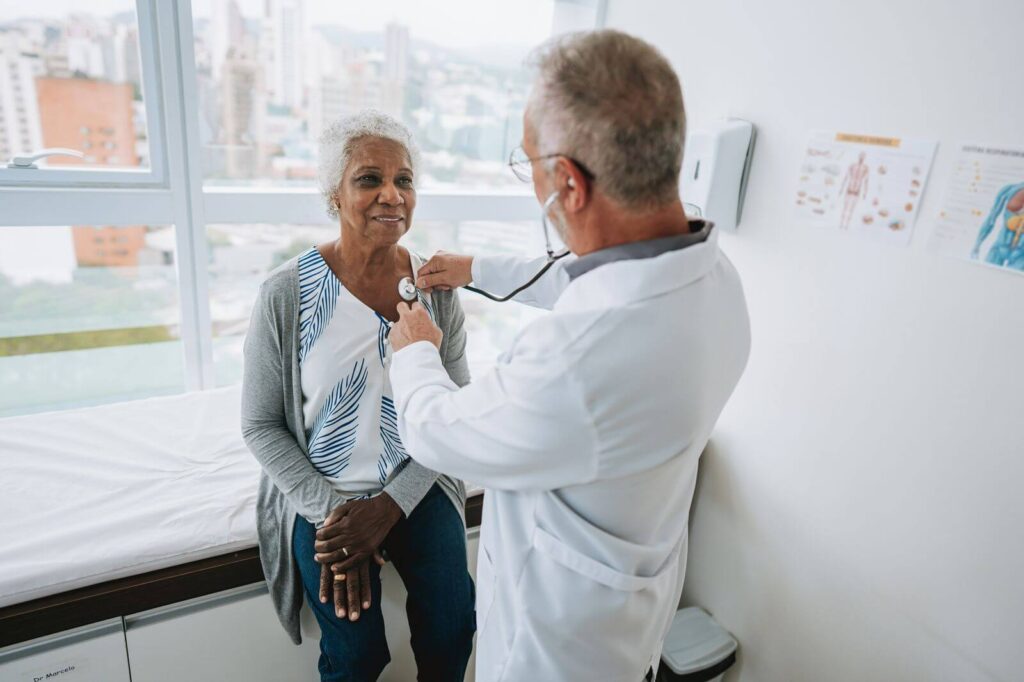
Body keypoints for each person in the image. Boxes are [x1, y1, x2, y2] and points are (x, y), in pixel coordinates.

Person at [379, 30, 751, 681]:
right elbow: (599, 271)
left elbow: (438, 433)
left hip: (554, 651)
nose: (531, 186)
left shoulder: (576, 360)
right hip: (625, 610)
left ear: (570, 186)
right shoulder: (715, 280)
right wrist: (477, 267)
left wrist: (416, 355)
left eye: (529, 166)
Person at [240, 111, 475, 681]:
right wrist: (335, 515)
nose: (392, 195)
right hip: (327, 494)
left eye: (405, 180)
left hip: (416, 482)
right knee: (356, 656)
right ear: (334, 195)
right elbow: (261, 424)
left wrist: (390, 507)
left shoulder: (433, 289)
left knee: (454, 626)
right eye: (369, 179)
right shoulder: (286, 292)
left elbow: (456, 411)